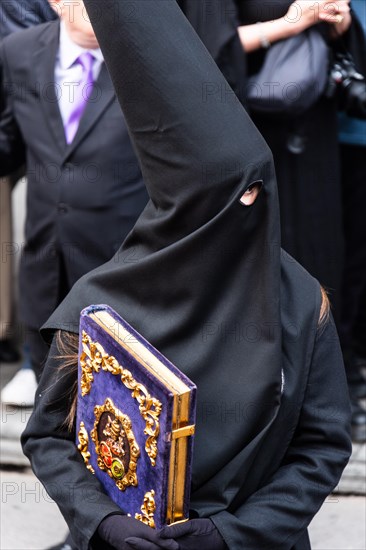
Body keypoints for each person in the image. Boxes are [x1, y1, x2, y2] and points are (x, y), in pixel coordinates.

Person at [22, 1, 351, 549]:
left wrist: (230, 535)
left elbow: (321, 447)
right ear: (190, 210)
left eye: (259, 190)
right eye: (237, 195)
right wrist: (102, 520)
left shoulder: (300, 303)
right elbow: (47, 437)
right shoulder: (101, 302)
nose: (256, 206)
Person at [0, 0, 148, 407]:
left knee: (118, 408)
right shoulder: (19, 52)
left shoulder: (143, 56)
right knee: (53, 413)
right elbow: (9, 145)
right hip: (46, 271)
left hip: (122, 270)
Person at [234, 0, 362, 322]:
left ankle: (327, 359)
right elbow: (207, 47)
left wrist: (339, 21)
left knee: (323, 258)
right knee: (264, 265)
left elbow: (346, 50)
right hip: (249, 129)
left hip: (315, 133)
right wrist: (295, 21)